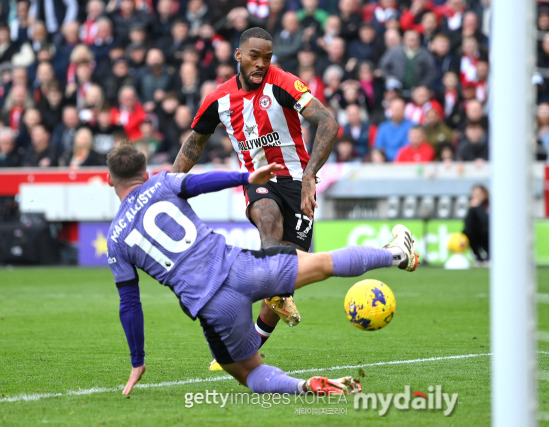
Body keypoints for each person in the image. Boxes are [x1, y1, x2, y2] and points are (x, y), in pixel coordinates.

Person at [106, 144, 418, 395]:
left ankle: (304, 386)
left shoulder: (116, 238)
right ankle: (394, 255)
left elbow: (130, 303)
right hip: (243, 267)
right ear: (145, 174)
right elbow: (200, 182)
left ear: (110, 179)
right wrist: (245, 178)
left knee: (250, 372)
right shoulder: (162, 182)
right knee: (323, 262)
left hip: (213, 306)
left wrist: (138, 361)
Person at [171, 27, 339, 367]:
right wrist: (171, 185)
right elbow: (196, 142)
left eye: (267, 57)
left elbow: (329, 124)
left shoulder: (286, 84)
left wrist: (309, 175)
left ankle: (248, 344)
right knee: (266, 215)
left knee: (287, 267)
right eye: (254, 56)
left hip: (297, 180)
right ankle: (277, 290)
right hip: (259, 178)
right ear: (238, 56)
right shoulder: (218, 99)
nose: (261, 63)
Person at [462, 184, 489, 265]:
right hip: (477, 235)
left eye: (478, 194)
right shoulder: (472, 206)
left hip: (487, 234)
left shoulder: (488, 205)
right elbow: (467, 223)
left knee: (487, 231)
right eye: (474, 193)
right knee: (467, 232)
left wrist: (478, 207)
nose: (476, 196)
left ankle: (489, 256)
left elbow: (485, 222)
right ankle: (478, 257)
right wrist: (472, 209)